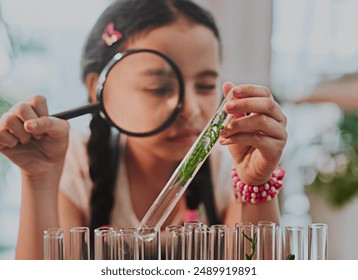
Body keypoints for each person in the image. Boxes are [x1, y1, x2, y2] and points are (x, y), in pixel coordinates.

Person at [0, 0, 287, 260]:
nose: (191, 109)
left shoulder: (229, 169)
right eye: (159, 88)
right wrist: (39, 179)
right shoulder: (75, 165)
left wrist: (256, 183)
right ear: (98, 89)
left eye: (206, 86)